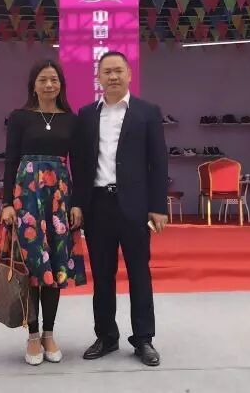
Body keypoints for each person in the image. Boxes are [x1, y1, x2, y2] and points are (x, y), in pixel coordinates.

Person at [73, 51, 169, 367]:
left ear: (129, 74)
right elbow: (79, 164)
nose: (113, 77)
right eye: (107, 72)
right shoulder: (86, 115)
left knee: (139, 272)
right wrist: (78, 203)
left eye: (118, 71)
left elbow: (158, 162)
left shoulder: (147, 112)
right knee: (102, 275)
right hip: (98, 205)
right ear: (98, 77)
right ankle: (106, 336)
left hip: (135, 207)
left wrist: (157, 206)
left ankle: (143, 339)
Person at [0, 59, 86, 366]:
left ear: (61, 85)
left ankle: (49, 333)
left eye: (54, 79)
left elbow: (79, 164)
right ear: (33, 86)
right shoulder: (20, 117)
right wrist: (7, 204)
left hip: (59, 199)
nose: (49, 85)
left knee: (56, 266)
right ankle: (33, 335)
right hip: (26, 199)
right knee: (32, 266)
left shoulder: (71, 120)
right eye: (43, 80)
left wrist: (77, 203)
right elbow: (11, 161)